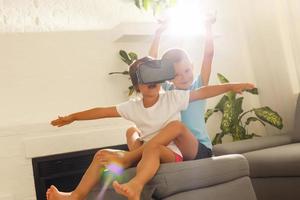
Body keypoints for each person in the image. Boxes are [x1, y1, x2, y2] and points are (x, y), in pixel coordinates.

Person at [46, 57, 254, 200]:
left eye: (154, 75)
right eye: (144, 77)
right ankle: (74, 196)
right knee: (102, 155)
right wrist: (73, 117)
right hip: (145, 153)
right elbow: (102, 111)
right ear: (137, 86)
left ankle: (135, 185)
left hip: (171, 153)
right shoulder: (132, 107)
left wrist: (230, 86)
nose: (151, 81)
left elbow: (202, 92)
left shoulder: (172, 98)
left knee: (171, 130)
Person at [146, 13, 217, 159]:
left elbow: (208, 55)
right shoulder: (169, 90)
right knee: (142, 138)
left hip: (200, 149)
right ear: (169, 78)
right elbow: (151, 65)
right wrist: (158, 33)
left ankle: (135, 156)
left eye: (187, 70)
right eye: (177, 75)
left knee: (177, 128)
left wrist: (208, 26)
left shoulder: (199, 86)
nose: (184, 77)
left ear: (192, 66)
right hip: (177, 151)